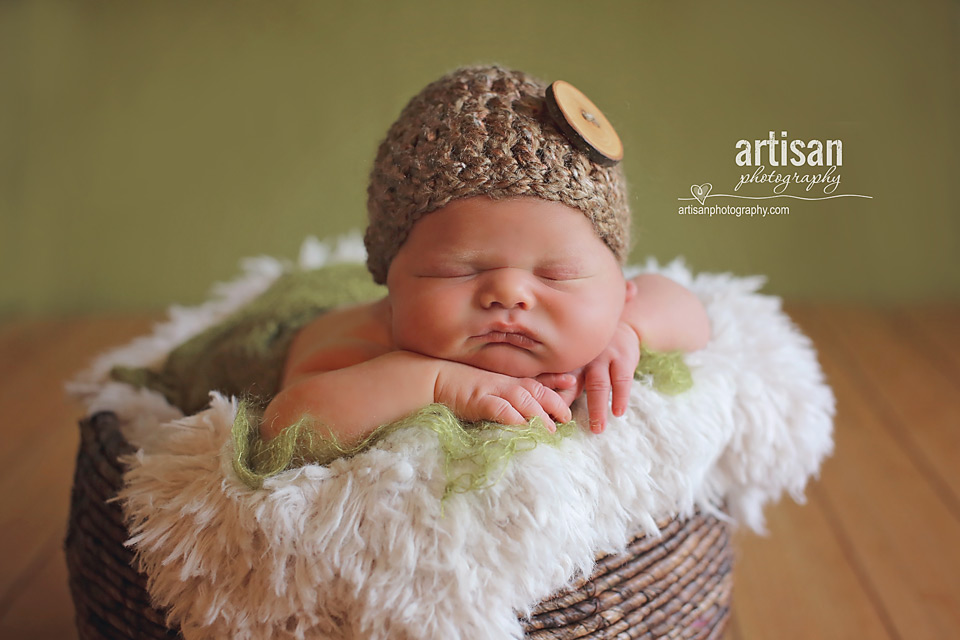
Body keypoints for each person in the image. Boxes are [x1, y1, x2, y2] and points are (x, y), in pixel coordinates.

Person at [261, 65, 710, 446]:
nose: (509, 293)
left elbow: (689, 311)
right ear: (389, 278)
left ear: (619, 285)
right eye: (456, 271)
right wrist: (434, 384)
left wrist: (628, 330)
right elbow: (285, 425)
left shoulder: (612, 314)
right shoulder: (370, 342)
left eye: (557, 275)